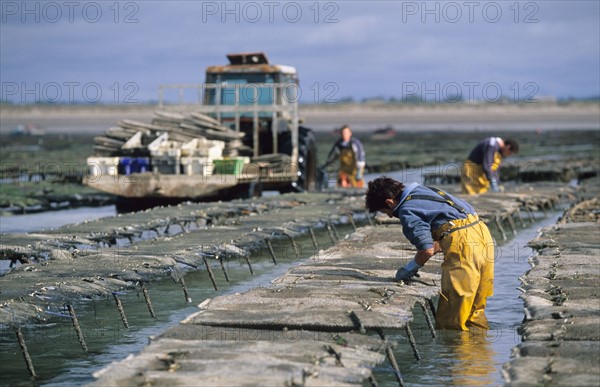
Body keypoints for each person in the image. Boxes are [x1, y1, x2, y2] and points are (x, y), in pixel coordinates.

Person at [365, 176, 495, 330]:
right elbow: (446, 237)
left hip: (463, 244)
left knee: (453, 314)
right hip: (482, 234)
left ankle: (455, 352)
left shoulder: (407, 210)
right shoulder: (425, 191)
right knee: (475, 309)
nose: (389, 216)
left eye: (385, 211)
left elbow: (427, 250)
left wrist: (409, 269)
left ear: (389, 202)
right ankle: (480, 350)